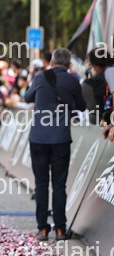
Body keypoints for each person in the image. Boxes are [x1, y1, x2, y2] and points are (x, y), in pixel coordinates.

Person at [25, 48, 87, 241]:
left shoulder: (40, 77)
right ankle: (60, 229)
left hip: (38, 138)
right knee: (59, 184)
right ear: (69, 64)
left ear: (51, 62)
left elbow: (27, 97)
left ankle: (42, 229)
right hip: (60, 138)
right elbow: (82, 106)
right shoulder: (73, 80)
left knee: (41, 184)